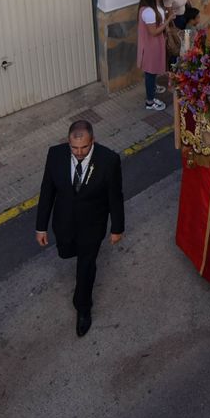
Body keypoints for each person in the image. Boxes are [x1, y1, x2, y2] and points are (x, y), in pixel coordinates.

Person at [35, 119, 125, 338]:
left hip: (92, 226)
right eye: (74, 148)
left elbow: (115, 197)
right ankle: (73, 255)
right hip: (64, 223)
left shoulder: (109, 160)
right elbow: (47, 191)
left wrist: (117, 228)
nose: (79, 153)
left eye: (84, 147)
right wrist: (41, 227)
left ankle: (83, 307)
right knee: (66, 251)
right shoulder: (55, 155)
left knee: (86, 267)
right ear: (68, 142)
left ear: (92, 141)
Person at [137, 0, 168, 111]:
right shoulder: (148, 12)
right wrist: (168, 22)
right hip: (151, 46)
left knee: (153, 70)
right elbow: (154, 32)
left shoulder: (153, 6)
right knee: (150, 73)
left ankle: (154, 87)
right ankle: (150, 101)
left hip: (155, 44)